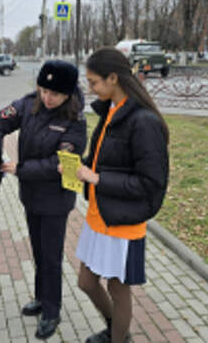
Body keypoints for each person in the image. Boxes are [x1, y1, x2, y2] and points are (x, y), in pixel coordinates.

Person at [0, 60, 87, 340]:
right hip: (31, 196)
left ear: (68, 94)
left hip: (56, 200)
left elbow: (63, 165)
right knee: (38, 252)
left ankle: (52, 310)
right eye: (44, 91)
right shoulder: (29, 104)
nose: (47, 98)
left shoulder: (75, 121)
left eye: (55, 94)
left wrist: (21, 169)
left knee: (51, 257)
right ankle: (41, 298)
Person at [73, 47, 169, 343]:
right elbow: (105, 158)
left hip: (123, 222)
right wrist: (79, 165)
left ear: (113, 78)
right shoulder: (110, 111)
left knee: (118, 287)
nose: (90, 89)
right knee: (87, 282)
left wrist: (98, 178)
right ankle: (117, 329)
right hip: (100, 215)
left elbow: (151, 182)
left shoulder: (144, 122)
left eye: (93, 82)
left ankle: (119, 338)